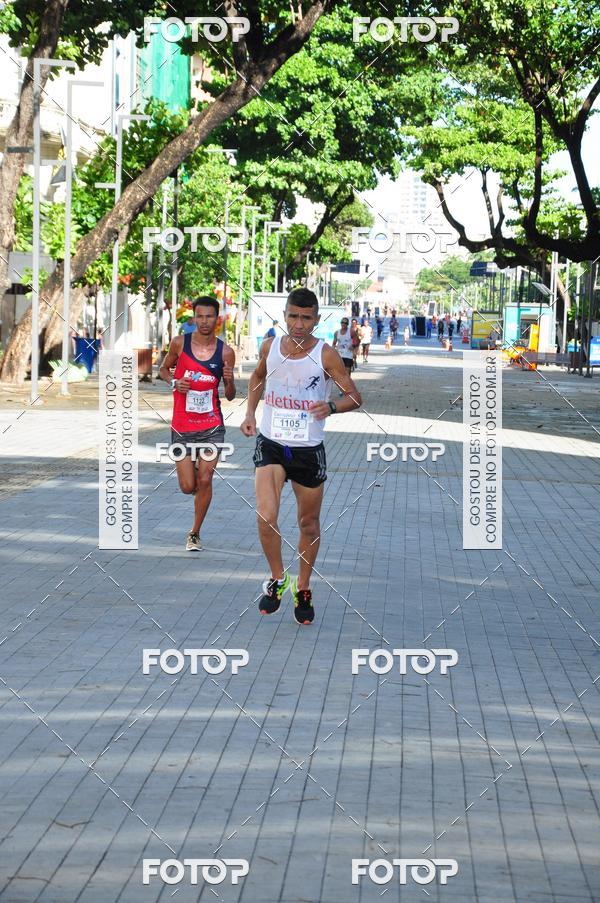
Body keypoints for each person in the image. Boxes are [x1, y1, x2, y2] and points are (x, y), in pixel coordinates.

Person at [240, 288, 362, 625]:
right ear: (284, 316)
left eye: (306, 318)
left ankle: (303, 586)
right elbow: (258, 377)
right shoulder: (270, 347)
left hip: (308, 449)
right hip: (271, 443)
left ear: (316, 320)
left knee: (308, 524)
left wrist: (332, 406)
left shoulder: (327, 355)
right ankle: (278, 579)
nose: (298, 324)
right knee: (266, 515)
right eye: (293, 316)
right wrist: (250, 413)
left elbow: (354, 396)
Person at [159, 296, 236, 551]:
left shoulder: (226, 352)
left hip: (212, 426)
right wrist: (174, 382)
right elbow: (163, 369)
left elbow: (230, 395)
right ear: (194, 318)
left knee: (205, 479)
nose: (204, 321)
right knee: (187, 486)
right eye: (200, 316)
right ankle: (193, 475)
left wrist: (229, 380)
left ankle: (194, 533)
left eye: (209, 316)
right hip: (182, 426)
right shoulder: (179, 343)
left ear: (217, 319)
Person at [332, 317, 354, 394]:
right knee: (341, 373)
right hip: (340, 355)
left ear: (348, 324)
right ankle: (342, 388)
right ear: (340, 323)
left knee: (347, 373)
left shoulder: (351, 332)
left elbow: (357, 340)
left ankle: (347, 387)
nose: (344, 324)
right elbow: (334, 343)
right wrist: (332, 351)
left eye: (345, 323)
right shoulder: (336, 332)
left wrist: (353, 346)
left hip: (348, 355)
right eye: (342, 322)